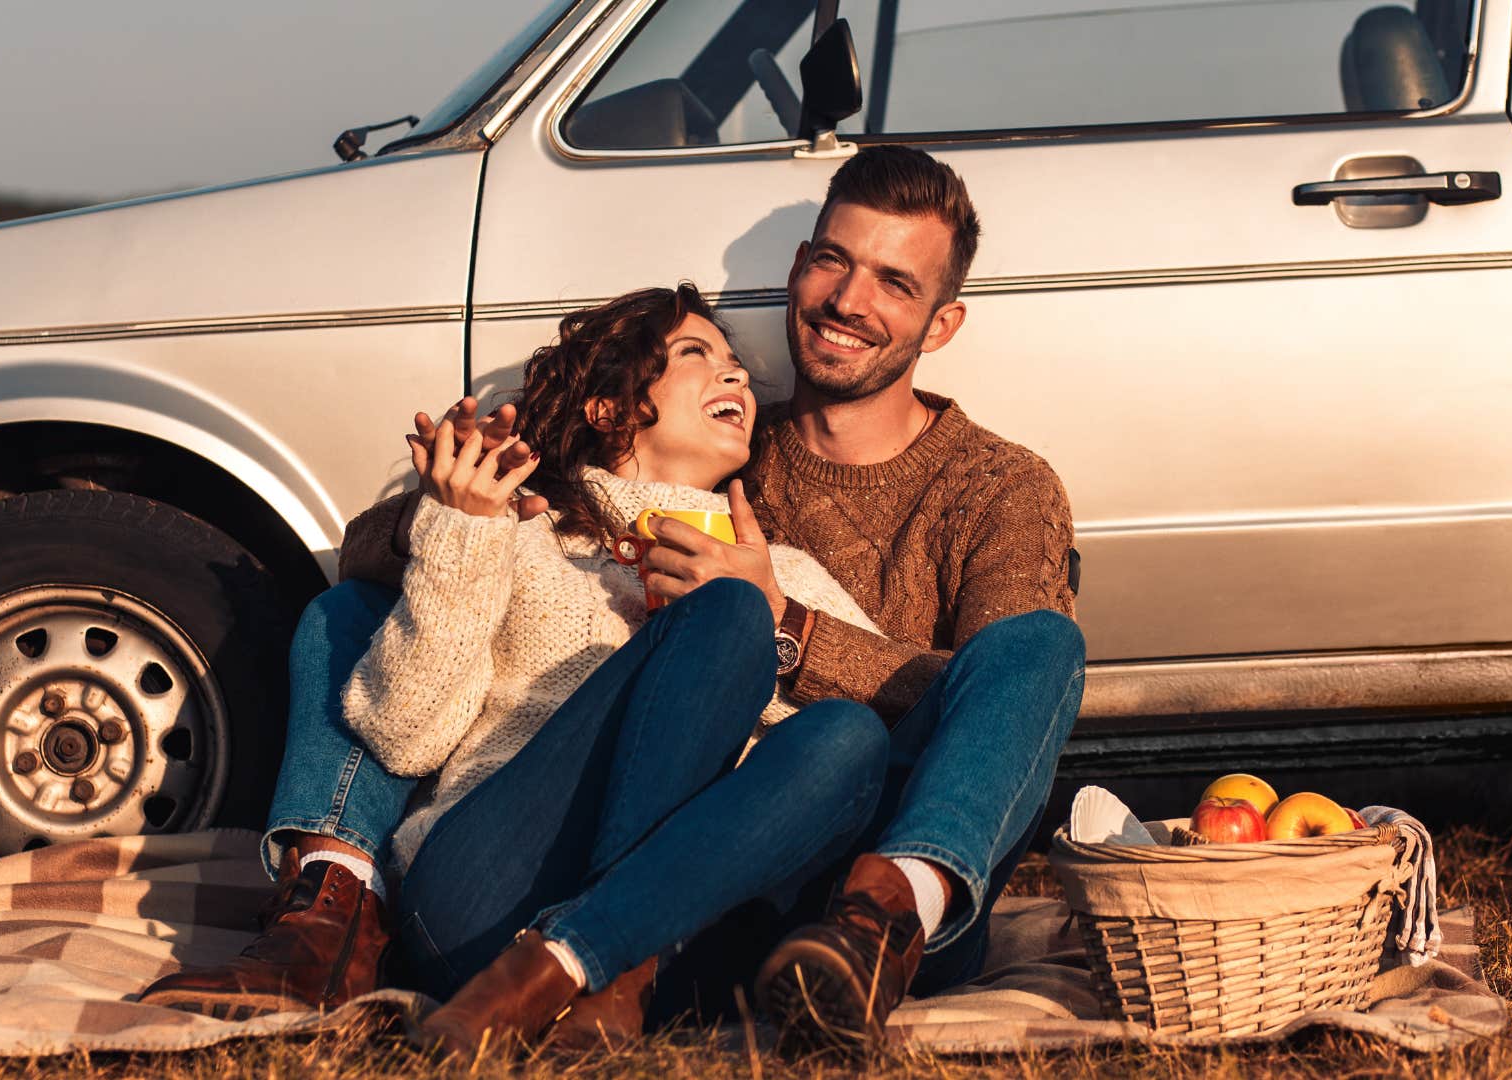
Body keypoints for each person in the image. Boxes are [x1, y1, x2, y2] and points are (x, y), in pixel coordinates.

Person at [352, 145, 1086, 1046]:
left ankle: (887, 912)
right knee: (774, 674)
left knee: (1037, 649)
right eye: (832, 261)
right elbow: (377, 549)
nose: (849, 301)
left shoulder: (1000, 486)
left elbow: (1003, 708)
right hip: (700, 881)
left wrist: (791, 627)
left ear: (939, 325)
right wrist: (470, 504)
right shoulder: (719, 449)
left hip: (854, 871)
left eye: (894, 283)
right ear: (799, 269)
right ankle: (613, 963)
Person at [139, 285, 892, 1058]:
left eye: (737, 365)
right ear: (608, 408)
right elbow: (403, 736)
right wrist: (464, 527)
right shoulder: (527, 533)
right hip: (489, 903)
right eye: (698, 356)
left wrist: (739, 650)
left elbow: (852, 765)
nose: (736, 378)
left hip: (681, 938)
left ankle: (602, 961)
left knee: (845, 727)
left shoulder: (784, 572)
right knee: (728, 617)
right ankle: (461, 940)